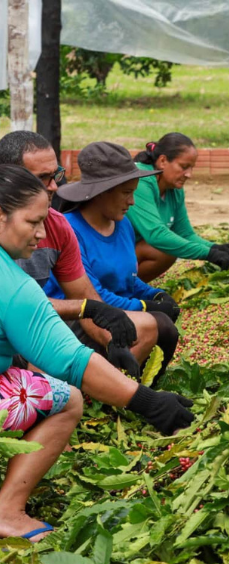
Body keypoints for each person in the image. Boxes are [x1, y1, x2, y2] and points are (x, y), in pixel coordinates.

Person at [0, 165, 194, 542]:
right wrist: (149, 402)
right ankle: (7, 512)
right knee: (66, 397)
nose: (41, 234)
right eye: (33, 222)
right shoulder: (13, 285)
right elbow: (71, 361)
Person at [0, 131, 144, 377]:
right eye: (43, 178)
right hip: (23, 331)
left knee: (148, 326)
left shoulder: (59, 225)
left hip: (39, 325)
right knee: (61, 392)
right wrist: (90, 308)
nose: (54, 186)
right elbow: (25, 309)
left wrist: (112, 340)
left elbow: (84, 294)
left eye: (56, 175)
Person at [47, 142, 181, 384]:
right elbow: (92, 296)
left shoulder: (123, 224)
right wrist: (144, 306)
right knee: (158, 324)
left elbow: (128, 278)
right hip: (78, 321)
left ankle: (132, 385)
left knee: (164, 326)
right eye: (126, 193)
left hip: (115, 315)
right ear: (102, 192)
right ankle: (109, 391)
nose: (132, 202)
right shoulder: (70, 229)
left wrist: (156, 294)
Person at [127, 133, 229, 282]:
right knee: (164, 249)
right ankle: (119, 290)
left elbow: (184, 234)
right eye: (184, 167)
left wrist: (217, 248)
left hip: (129, 252)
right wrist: (207, 254)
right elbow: (156, 235)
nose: (189, 174)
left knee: (170, 244)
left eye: (191, 168)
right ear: (163, 161)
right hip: (104, 255)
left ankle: (128, 288)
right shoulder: (140, 181)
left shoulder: (174, 188)